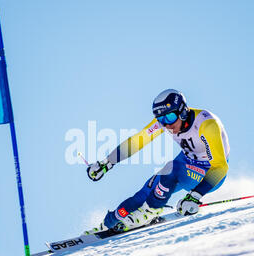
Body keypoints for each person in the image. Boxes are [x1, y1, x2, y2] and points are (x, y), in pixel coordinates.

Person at [86, 89, 230, 233]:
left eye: (170, 118)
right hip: (187, 163)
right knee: (144, 192)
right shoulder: (166, 121)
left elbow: (220, 167)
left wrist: (195, 196)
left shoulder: (207, 125)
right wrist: (107, 163)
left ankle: (151, 210)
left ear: (183, 112)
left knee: (172, 168)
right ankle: (107, 225)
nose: (166, 125)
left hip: (209, 174)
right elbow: (137, 141)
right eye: (161, 120)